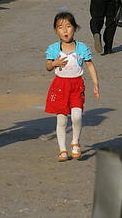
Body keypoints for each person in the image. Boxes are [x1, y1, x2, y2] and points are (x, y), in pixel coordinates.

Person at [44, 11, 100, 161]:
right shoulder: (54, 49)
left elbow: (89, 65)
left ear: (75, 28)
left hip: (76, 85)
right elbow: (48, 66)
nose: (65, 30)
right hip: (60, 85)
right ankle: (62, 150)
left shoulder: (81, 48)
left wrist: (95, 83)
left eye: (68, 26)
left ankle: (75, 142)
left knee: (76, 116)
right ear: (56, 30)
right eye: (60, 27)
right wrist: (54, 63)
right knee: (61, 119)